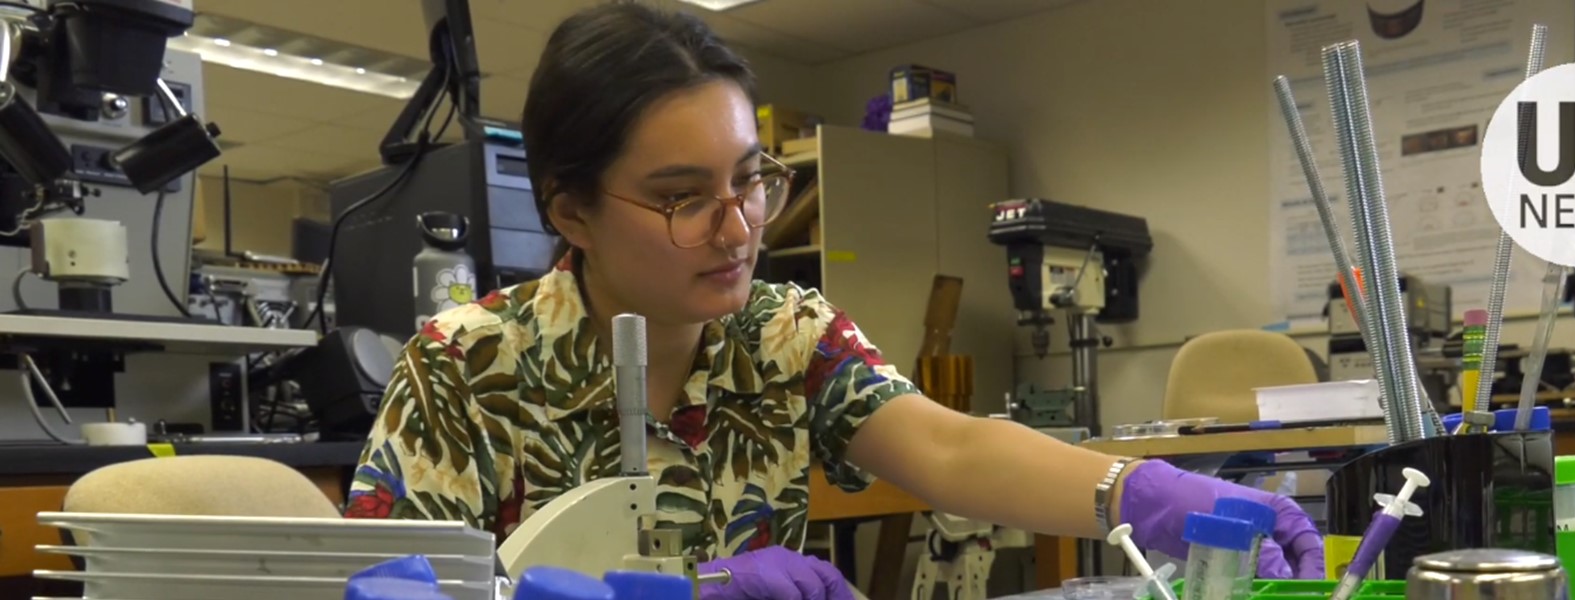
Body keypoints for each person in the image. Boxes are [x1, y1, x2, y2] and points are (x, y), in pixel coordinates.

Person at [342, 1, 1323, 596]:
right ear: (573, 212)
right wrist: (692, 594)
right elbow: (392, 594)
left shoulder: (781, 336)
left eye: (748, 179)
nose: (737, 228)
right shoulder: (464, 371)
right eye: (684, 198)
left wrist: (1130, 490)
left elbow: (945, 446)